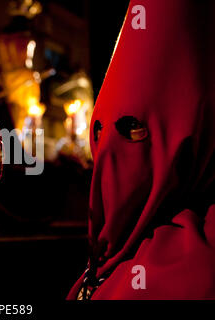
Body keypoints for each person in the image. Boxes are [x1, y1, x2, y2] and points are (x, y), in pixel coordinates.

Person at [68, 0, 215, 299]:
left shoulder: (194, 268)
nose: (108, 145)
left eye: (132, 125)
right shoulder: (106, 260)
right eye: (99, 128)